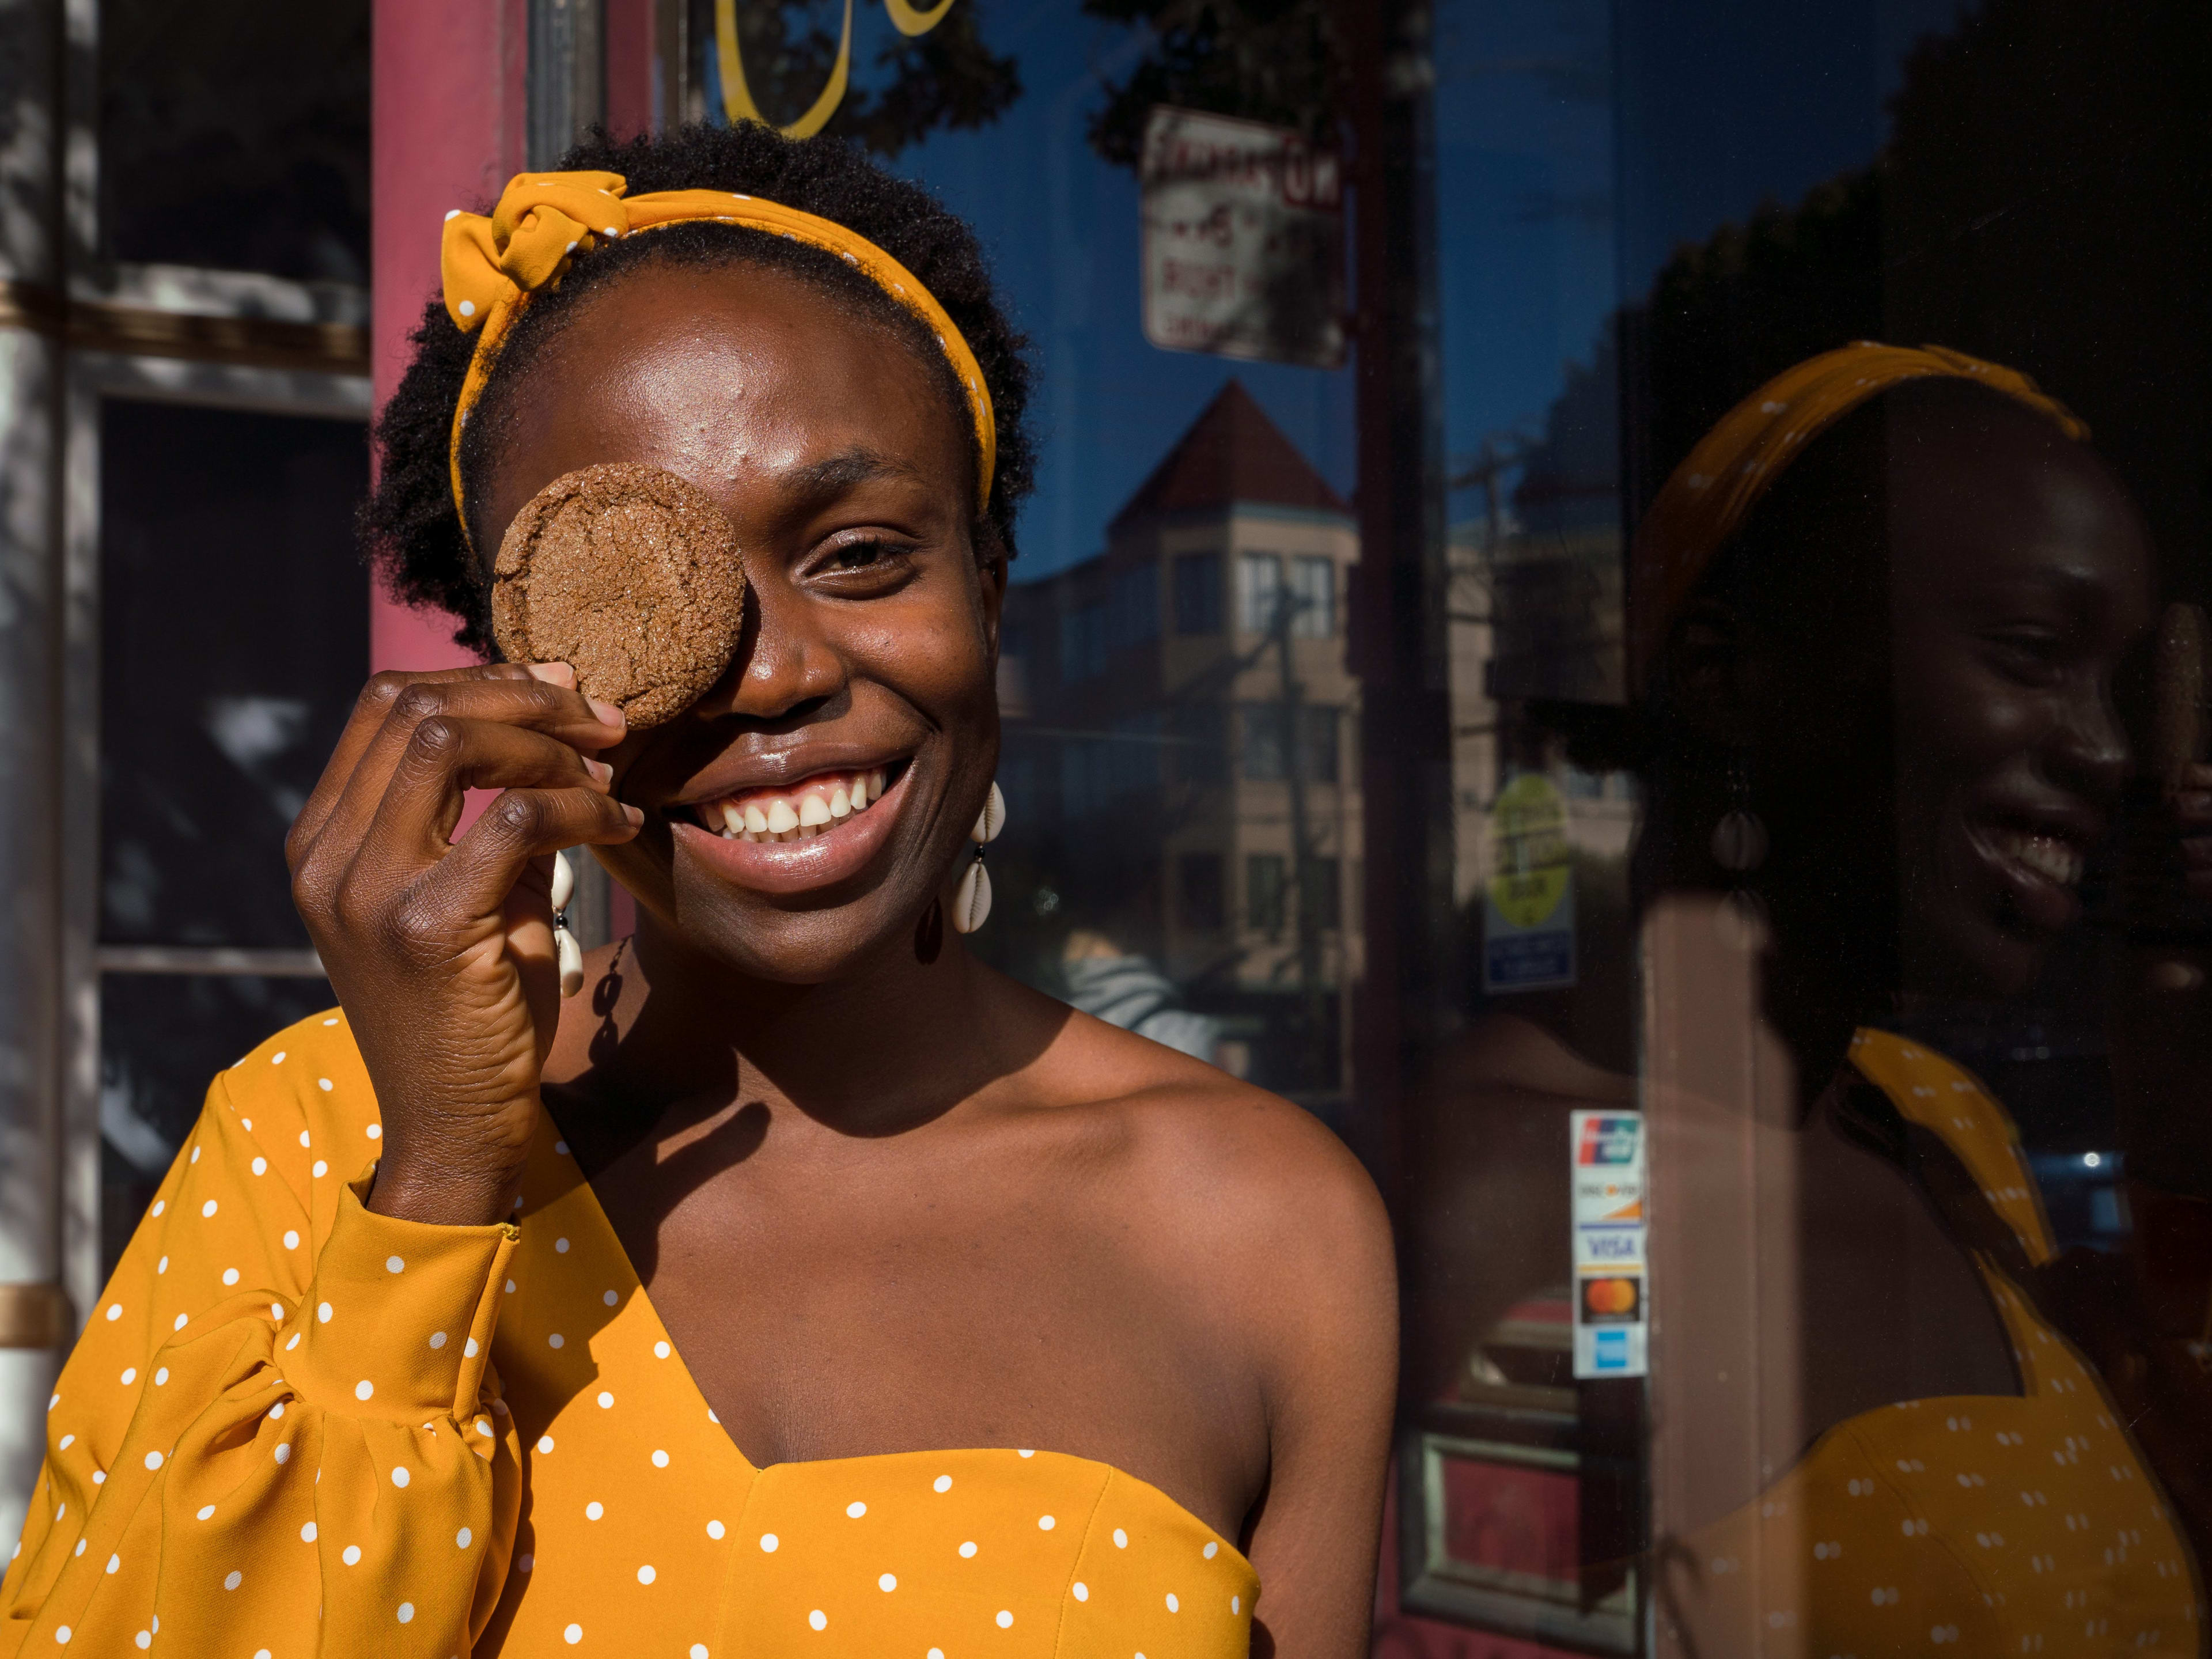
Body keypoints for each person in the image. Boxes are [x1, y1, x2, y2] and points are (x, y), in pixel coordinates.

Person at [0, 124, 1396, 1658]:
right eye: (635, 602)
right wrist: (442, 1181)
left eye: (862, 555)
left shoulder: (1266, 1231)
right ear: (503, 684)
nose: (776, 675)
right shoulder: (307, 1154)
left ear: (990, 590)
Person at [1410, 344, 2211, 1653]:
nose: (2108, 749)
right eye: (2031, 653)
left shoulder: (1941, 1130)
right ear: (1731, 680)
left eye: (2115, 682)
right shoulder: (1562, 1187)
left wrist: (2181, 1135)